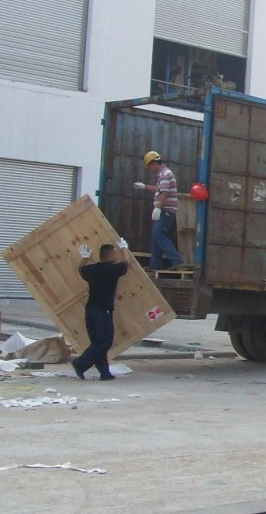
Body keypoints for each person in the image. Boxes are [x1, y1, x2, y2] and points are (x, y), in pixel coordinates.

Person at [72, 239, 131, 380]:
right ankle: (80, 363)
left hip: (90, 310)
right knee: (104, 342)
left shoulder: (92, 269)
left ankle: (105, 373)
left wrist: (84, 258)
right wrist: (124, 248)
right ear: (109, 256)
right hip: (102, 311)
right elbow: (128, 264)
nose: (116, 257)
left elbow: (81, 270)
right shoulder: (112, 269)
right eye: (115, 254)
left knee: (98, 342)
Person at [133, 151, 184, 271]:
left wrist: (158, 207)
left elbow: (165, 192)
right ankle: (155, 264)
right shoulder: (162, 174)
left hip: (165, 210)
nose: (150, 170)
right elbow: (159, 188)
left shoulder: (165, 174)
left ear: (153, 163)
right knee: (156, 236)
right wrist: (144, 186)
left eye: (149, 167)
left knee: (159, 235)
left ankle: (177, 261)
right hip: (163, 210)